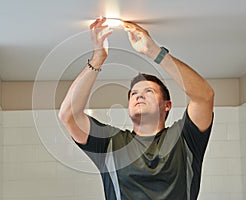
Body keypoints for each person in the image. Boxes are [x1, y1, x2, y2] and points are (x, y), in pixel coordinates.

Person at [59, 17, 214, 200]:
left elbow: (204, 97)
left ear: (167, 105)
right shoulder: (110, 144)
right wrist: (98, 58)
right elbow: (68, 115)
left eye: (148, 91)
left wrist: (154, 52)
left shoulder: (185, 139)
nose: (139, 95)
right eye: (133, 94)